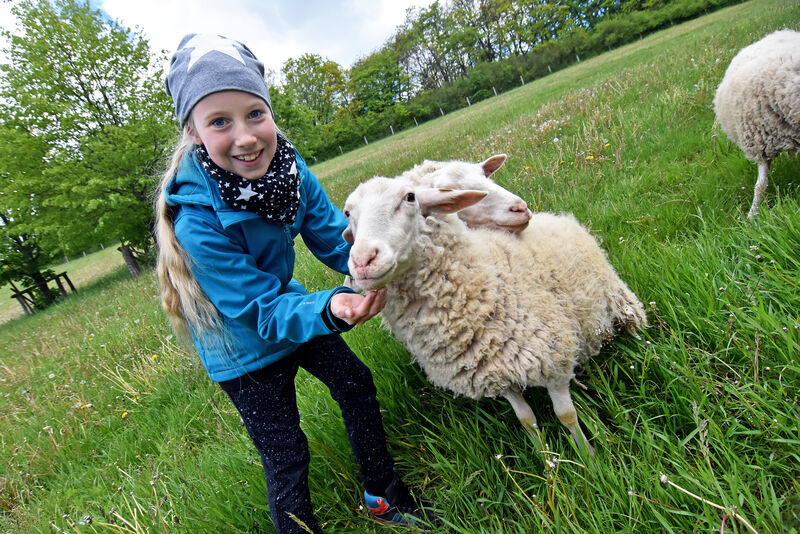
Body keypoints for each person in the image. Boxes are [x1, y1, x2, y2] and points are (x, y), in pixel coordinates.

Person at [154, 33, 436, 533]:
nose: (245, 137)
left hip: (291, 311)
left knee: (356, 384)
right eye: (220, 122)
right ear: (194, 133)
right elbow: (258, 310)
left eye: (254, 114)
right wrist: (332, 309)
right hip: (243, 347)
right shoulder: (195, 221)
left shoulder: (289, 169)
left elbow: (333, 236)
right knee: (286, 453)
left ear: (270, 111)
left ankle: (383, 498)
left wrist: (368, 267)